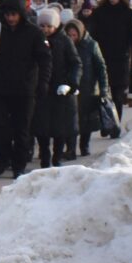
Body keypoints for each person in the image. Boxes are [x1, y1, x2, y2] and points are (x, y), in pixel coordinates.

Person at [0, 0, 51, 179]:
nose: (10, 18)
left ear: (21, 14)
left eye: (14, 14)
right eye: (7, 14)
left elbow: (45, 59)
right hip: (0, 88)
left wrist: (42, 83)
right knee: (0, 128)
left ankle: (19, 164)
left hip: (24, 89)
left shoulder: (33, 33)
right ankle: (2, 159)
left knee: (22, 130)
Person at [33, 9, 81, 168]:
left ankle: (57, 156)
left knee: (60, 127)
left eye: (49, 26)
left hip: (60, 90)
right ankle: (45, 156)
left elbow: (75, 63)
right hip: (41, 89)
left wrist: (70, 83)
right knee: (41, 127)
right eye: (42, 26)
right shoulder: (36, 40)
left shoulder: (64, 41)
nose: (45, 29)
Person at [88, 0, 132, 125]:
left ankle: (115, 124)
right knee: (103, 93)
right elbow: (91, 36)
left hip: (121, 58)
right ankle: (106, 122)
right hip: (102, 57)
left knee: (118, 93)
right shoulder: (99, 13)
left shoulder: (127, 13)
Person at [64, 19, 109, 157]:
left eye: (74, 35)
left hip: (88, 88)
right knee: (70, 119)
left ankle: (84, 145)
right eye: (69, 35)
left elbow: (101, 68)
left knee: (86, 120)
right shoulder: (64, 45)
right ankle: (70, 148)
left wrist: (103, 89)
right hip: (70, 87)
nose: (72, 38)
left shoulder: (91, 45)